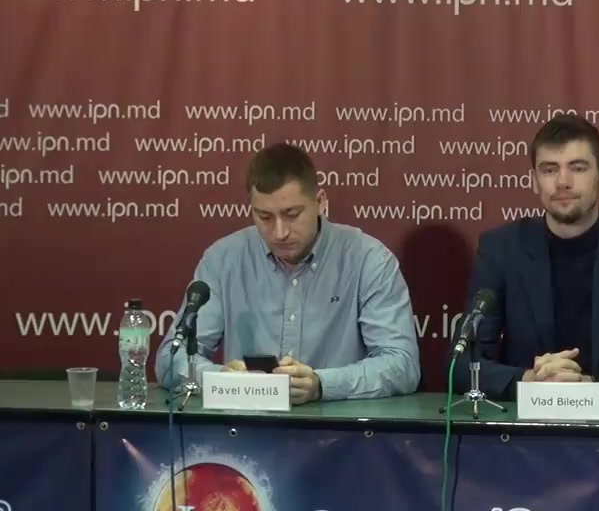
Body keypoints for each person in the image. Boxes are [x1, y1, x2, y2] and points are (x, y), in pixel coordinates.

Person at [453, 113, 599, 402]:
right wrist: (528, 381)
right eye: (549, 169)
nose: (563, 182)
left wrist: (594, 387)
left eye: (578, 168)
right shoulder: (502, 248)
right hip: (528, 422)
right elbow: (461, 363)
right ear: (534, 181)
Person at [155, 143, 421, 404]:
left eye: (292, 214)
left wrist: (322, 385)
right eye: (265, 217)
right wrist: (221, 379)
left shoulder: (369, 260)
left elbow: (402, 364)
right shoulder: (223, 259)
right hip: (246, 425)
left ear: (320, 202)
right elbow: (171, 357)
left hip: (339, 427)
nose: (279, 232)